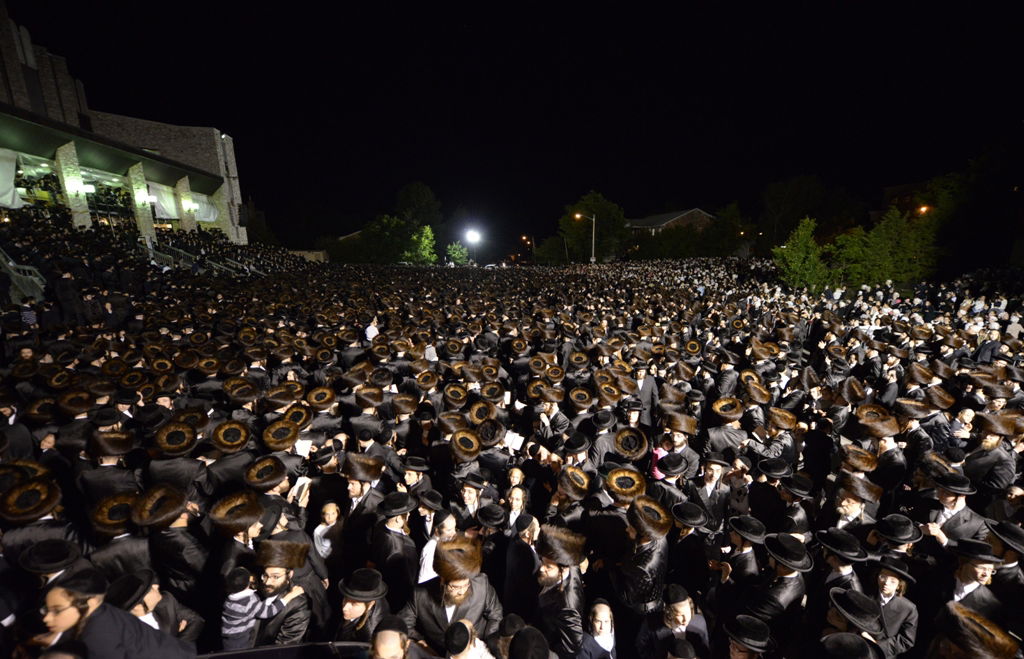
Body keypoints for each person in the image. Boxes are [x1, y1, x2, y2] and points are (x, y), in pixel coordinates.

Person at [37, 568, 195, 658]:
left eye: (57, 611)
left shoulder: (96, 639)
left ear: (90, 602)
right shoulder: (101, 610)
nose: (47, 618)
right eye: (46, 610)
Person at [220, 566, 305, 650]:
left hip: (228, 640)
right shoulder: (249, 600)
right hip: (240, 643)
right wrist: (289, 596)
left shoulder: (230, 598)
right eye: (265, 575)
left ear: (290, 575)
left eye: (275, 576)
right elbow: (268, 612)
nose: (267, 582)